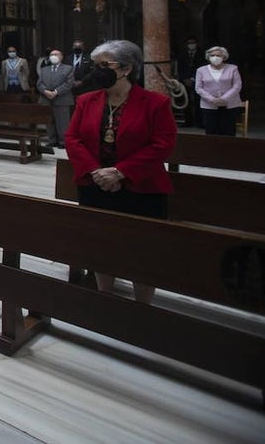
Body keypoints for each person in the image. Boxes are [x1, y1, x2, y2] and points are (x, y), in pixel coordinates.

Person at [65, 39, 176, 304]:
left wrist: (120, 172)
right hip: (95, 186)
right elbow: (72, 139)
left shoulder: (155, 103)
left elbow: (163, 145)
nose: (97, 71)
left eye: (105, 65)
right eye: (96, 65)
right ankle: (106, 298)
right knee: (100, 247)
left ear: (126, 69)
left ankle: (143, 307)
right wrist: (95, 171)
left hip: (140, 189)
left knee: (142, 252)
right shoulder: (86, 101)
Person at [195, 46, 243, 136]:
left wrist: (224, 98)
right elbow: (198, 88)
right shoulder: (201, 70)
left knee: (228, 131)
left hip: (230, 105)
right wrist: (212, 99)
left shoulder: (233, 68)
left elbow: (237, 85)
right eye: (212, 55)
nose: (215, 57)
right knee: (211, 131)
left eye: (218, 55)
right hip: (209, 105)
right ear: (208, 57)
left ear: (224, 57)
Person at [37, 48, 75, 147]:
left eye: (56, 54)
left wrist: (56, 92)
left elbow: (69, 83)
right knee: (49, 121)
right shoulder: (44, 69)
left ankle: (63, 141)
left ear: (61, 57)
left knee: (63, 122)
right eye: (51, 54)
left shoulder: (68, 68)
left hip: (62, 98)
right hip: (46, 98)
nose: (53, 56)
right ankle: (52, 140)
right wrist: (45, 91)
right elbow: (39, 83)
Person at [175, 36, 207, 126]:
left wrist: (193, 78)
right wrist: (184, 79)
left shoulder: (202, 53)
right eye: (189, 43)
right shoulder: (182, 54)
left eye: (193, 42)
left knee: (198, 101)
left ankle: (200, 122)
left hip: (198, 80)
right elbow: (180, 67)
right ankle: (188, 121)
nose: (191, 45)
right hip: (185, 81)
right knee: (186, 101)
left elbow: (202, 66)